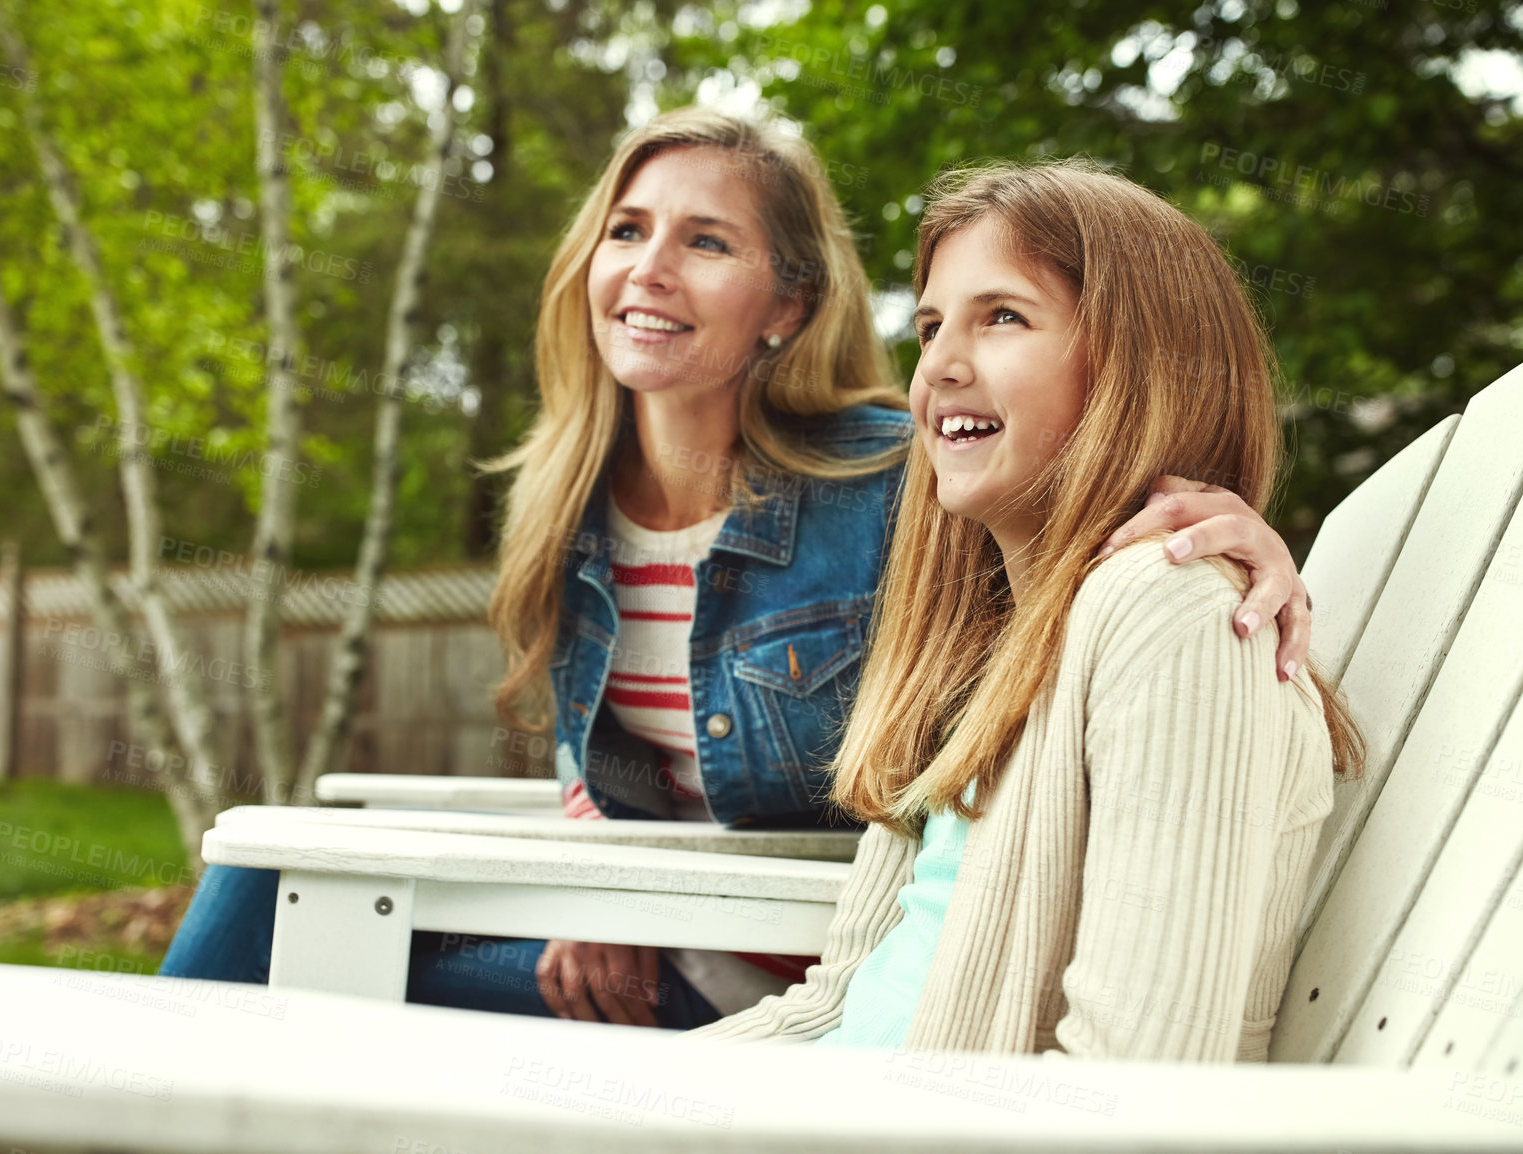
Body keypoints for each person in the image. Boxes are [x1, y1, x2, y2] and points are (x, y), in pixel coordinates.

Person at [160, 112, 1319, 1033]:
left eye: (705, 242)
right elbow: (596, 757)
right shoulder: (570, 501)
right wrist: (590, 886)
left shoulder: (890, 478)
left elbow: (1065, 513)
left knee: (283, 932)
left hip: (789, 949)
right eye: (627, 231)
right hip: (697, 953)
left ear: (789, 305)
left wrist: (1217, 510)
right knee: (272, 891)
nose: (649, 268)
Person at [693, 159, 1363, 1060]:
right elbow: (838, 1002)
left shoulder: (1174, 617)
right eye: (930, 327)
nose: (939, 367)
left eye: (1002, 316)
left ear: (1141, 365)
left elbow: (1134, 1082)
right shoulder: (986, 639)